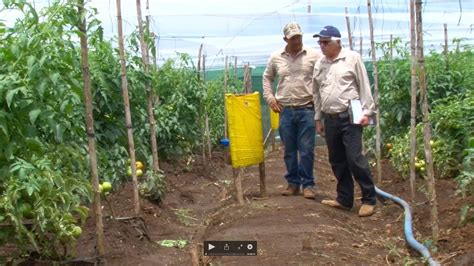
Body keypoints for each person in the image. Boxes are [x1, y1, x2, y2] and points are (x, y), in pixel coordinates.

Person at [312, 25, 377, 217]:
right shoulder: (320, 64)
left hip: (350, 117)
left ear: (337, 42)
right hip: (330, 118)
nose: (322, 46)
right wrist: (318, 118)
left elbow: (364, 86)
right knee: (337, 160)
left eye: (325, 42)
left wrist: (367, 112)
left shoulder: (352, 58)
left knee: (354, 158)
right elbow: (316, 93)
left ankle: (369, 200)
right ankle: (344, 199)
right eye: (320, 43)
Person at [263, 22, 322, 199]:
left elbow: (321, 78)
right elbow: (267, 78)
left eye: (299, 37)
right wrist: (270, 98)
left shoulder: (314, 56)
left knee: (306, 149)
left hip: (307, 108)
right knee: (289, 149)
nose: (297, 41)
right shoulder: (276, 57)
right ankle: (293, 183)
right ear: (285, 39)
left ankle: (308, 184)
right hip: (285, 110)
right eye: (293, 38)